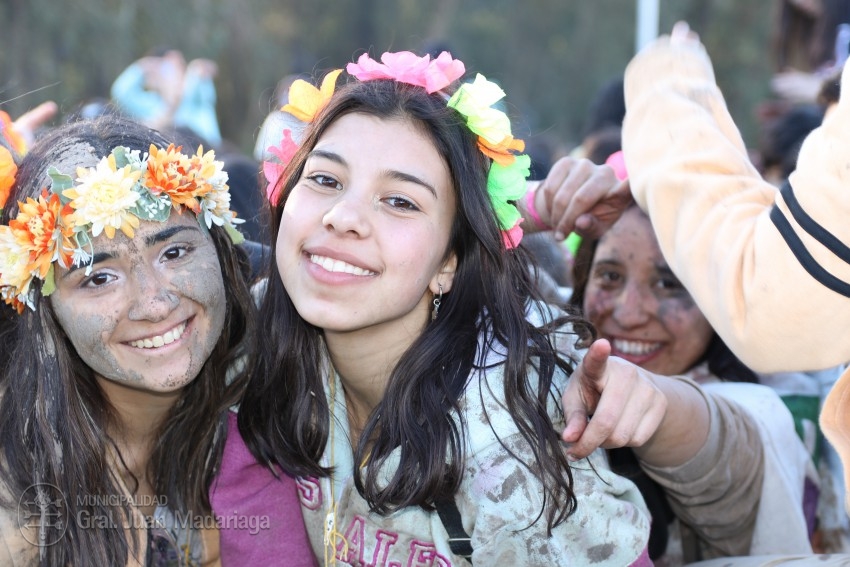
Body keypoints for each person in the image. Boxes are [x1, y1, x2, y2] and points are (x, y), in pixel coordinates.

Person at [232, 49, 779, 566]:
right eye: (325, 179)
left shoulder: (513, 445)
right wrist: (531, 207)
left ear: (450, 262)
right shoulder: (254, 341)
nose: (342, 217)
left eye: (400, 200)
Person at [0, 115, 314, 565]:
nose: (154, 303)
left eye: (174, 252)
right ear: (45, 309)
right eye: (99, 277)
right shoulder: (18, 498)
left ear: (222, 250)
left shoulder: (278, 390)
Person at [570, 200, 828, 561]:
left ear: (725, 300)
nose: (628, 314)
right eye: (610, 276)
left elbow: (720, 439)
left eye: (667, 283)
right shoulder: (559, 363)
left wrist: (656, 400)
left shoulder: (771, 408)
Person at [111, 49, 222, 147]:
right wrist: (143, 66)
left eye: (179, 67)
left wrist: (197, 71)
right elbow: (120, 92)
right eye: (166, 69)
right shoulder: (149, 104)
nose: (172, 76)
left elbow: (204, 80)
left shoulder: (195, 98)